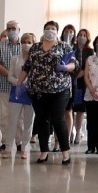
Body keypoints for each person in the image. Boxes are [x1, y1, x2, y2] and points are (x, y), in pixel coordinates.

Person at [24, 21, 76, 163]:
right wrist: (19, 83)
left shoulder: (64, 46)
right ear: (43, 30)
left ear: (57, 32)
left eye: (53, 29)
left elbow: (74, 64)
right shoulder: (35, 47)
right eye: (47, 28)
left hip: (60, 89)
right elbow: (27, 66)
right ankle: (43, 152)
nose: (50, 31)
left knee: (58, 119)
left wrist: (65, 68)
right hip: (37, 90)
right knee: (41, 120)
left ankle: (65, 153)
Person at [0, 21, 23, 153]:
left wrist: (18, 78)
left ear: (19, 30)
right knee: (4, 115)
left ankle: (19, 142)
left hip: (20, 86)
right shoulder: (0, 45)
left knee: (20, 116)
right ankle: (5, 142)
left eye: (13, 28)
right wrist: (10, 75)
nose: (11, 31)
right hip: (3, 85)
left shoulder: (24, 46)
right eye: (8, 29)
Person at [9, 33, 38, 156]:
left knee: (28, 122)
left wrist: (27, 85)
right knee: (13, 121)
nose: (26, 44)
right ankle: (8, 147)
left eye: (29, 42)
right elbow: (10, 76)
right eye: (24, 42)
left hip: (30, 93)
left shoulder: (36, 60)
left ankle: (24, 148)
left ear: (34, 44)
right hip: (17, 91)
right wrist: (19, 83)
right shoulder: (15, 59)